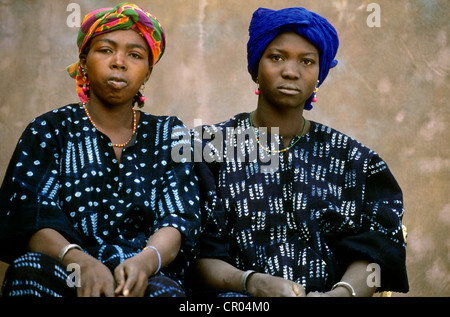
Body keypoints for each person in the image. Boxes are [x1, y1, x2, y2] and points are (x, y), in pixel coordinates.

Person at [191, 7, 408, 297]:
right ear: (256, 66)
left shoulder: (354, 161)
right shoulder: (209, 149)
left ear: (320, 73)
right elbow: (196, 254)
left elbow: (379, 252)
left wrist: (340, 295)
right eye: (276, 57)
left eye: (307, 61)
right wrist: (254, 283)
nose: (290, 72)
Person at [0, 3, 200, 297]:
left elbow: (178, 218)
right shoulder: (50, 130)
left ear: (147, 73)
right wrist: (81, 264)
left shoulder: (170, 134)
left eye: (135, 55)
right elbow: (30, 213)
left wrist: (143, 264)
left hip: (143, 273)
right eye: (106, 50)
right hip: (64, 265)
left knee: (165, 293)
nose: (119, 62)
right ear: (83, 61)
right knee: (29, 272)